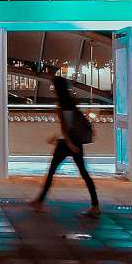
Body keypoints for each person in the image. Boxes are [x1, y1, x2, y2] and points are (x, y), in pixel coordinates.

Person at [31, 75, 100, 216]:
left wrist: (67, 143)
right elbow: (72, 125)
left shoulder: (60, 106)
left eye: (53, 86)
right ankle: (95, 206)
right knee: (84, 174)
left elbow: (64, 128)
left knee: (51, 172)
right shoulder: (72, 103)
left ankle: (39, 202)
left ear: (57, 89)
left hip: (66, 144)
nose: (51, 89)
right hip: (75, 142)